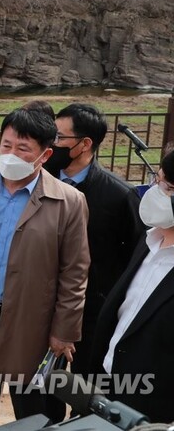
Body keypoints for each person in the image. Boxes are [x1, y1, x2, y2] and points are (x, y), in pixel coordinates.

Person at [0, 107, 90, 431]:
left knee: (30, 406)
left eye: (22, 149)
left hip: (32, 322)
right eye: (6, 145)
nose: (11, 154)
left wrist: (63, 331)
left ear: (45, 154)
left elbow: (75, 273)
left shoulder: (69, 202)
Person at [43, 104, 144, 378]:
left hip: (93, 313)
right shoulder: (40, 183)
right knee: (41, 392)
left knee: (85, 389)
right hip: (42, 305)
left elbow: (134, 259)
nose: (53, 144)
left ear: (85, 144)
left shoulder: (120, 196)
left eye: (60, 138)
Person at [89, 148, 174, 423]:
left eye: (168, 188)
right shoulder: (148, 242)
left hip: (153, 412)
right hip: (108, 388)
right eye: (157, 180)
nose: (156, 191)